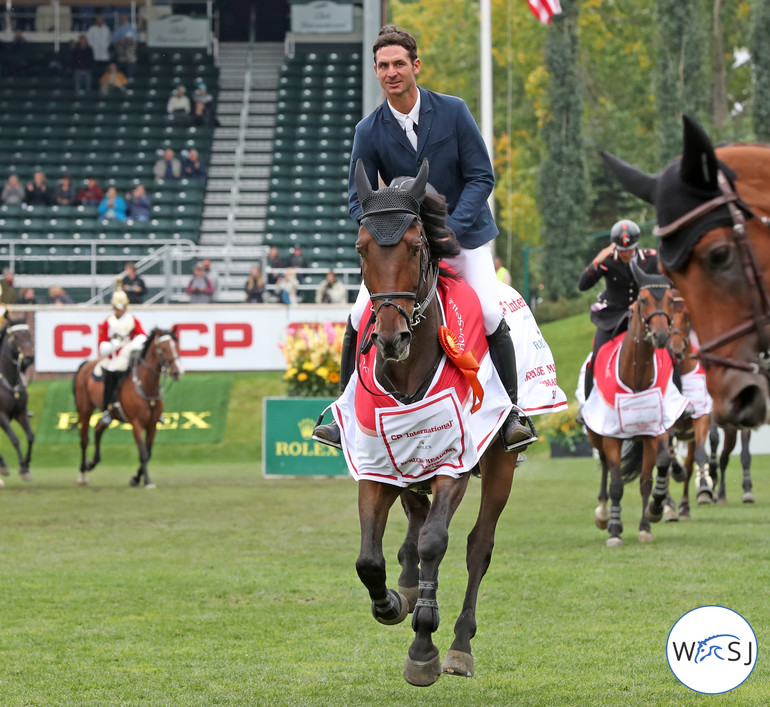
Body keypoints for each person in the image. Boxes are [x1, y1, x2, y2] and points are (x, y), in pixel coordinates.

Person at [313, 25, 535, 452]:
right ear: (376, 71)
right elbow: (356, 199)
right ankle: (341, 414)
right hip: (403, 244)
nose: (392, 72)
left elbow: (481, 176)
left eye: (399, 64)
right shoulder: (368, 130)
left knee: (489, 311)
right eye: (383, 66)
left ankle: (511, 414)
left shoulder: (453, 111)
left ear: (415, 66)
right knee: (359, 318)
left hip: (464, 236)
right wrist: (387, 231)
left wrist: (449, 227)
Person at [578, 219, 660, 400]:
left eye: (630, 250)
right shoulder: (608, 260)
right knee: (596, 356)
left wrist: (642, 301)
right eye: (622, 251)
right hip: (613, 317)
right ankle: (589, 402)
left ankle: (679, 399)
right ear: (615, 247)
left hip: (643, 316)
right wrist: (596, 261)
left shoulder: (651, 258)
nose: (627, 254)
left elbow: (661, 285)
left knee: (668, 352)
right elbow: (583, 285)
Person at [95, 290, 148, 424]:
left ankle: (152, 407)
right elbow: (101, 343)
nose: (121, 310)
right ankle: (107, 409)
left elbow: (142, 335)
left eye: (123, 306)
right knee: (110, 377)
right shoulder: (108, 322)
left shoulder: (132, 320)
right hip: (114, 356)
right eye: (118, 307)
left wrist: (133, 344)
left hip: (129, 354)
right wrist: (112, 345)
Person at [86, 14, 111, 78]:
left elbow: (108, 39)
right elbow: (89, 39)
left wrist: (105, 46)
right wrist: (92, 47)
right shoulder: (92, 29)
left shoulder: (106, 29)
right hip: (94, 53)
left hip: (104, 54)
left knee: (104, 71)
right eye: (98, 20)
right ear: (96, 21)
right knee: (95, 72)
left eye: (101, 20)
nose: (100, 21)